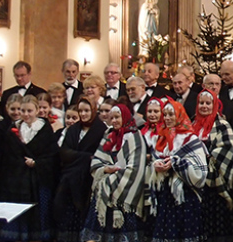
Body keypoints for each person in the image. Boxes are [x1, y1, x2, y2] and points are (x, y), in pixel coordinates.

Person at [81, 104, 148, 242]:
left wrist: (112, 181)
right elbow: (97, 160)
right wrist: (105, 170)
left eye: (117, 117)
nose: (114, 121)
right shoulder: (109, 135)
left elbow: (136, 167)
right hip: (105, 187)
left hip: (123, 191)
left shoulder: (135, 137)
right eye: (112, 118)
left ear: (125, 117)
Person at [147, 98, 209, 242]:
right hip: (166, 194)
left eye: (171, 114)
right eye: (165, 114)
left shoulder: (191, 139)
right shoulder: (161, 137)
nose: (167, 118)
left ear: (179, 115)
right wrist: (156, 165)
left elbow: (200, 170)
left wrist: (176, 163)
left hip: (186, 195)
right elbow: (156, 158)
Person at [0, 95, 58, 241]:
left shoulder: (45, 130)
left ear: (37, 110)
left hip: (39, 182)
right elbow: (7, 156)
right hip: (17, 181)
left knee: (39, 216)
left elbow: (53, 156)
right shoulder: (13, 130)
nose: (26, 114)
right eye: (23, 110)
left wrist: (37, 163)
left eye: (29, 111)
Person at [54, 98, 108, 242]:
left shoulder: (101, 129)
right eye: (81, 111)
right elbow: (65, 152)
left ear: (93, 111)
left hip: (88, 180)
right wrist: (85, 157)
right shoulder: (73, 129)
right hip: (69, 179)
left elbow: (99, 155)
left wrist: (79, 157)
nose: (83, 114)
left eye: (87, 110)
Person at [192, 90, 233, 242]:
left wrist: (205, 159)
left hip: (215, 183)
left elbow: (228, 150)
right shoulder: (192, 124)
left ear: (215, 105)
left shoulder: (222, 125)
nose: (204, 106)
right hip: (195, 182)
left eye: (208, 103)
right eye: (201, 103)